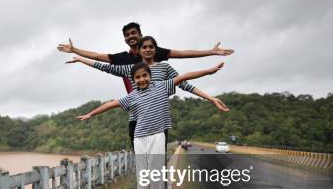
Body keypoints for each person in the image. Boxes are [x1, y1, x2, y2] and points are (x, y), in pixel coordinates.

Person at [76, 61, 225, 189]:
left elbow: (183, 77)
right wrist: (90, 114)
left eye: (144, 75)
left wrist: (209, 71)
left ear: (150, 76)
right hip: (139, 138)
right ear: (133, 80)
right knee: (143, 176)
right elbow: (111, 104)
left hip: (157, 136)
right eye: (137, 77)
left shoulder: (162, 87)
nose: (141, 79)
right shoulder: (132, 96)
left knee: (155, 174)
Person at [67, 35, 229, 147]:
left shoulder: (164, 67)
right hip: (136, 120)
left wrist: (211, 98)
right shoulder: (132, 68)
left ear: (155, 49)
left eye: (151, 47)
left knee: (157, 162)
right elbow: (104, 66)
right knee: (142, 162)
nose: (148, 50)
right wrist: (80, 58)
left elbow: (186, 84)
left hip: (158, 119)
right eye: (144, 47)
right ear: (139, 50)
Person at [57, 21, 234, 93]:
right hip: (136, 102)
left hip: (156, 99)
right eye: (127, 35)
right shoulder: (123, 59)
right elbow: (97, 57)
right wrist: (75, 50)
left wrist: (211, 52)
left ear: (140, 34)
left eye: (134, 33)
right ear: (124, 39)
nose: (131, 36)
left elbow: (181, 54)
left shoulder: (153, 51)